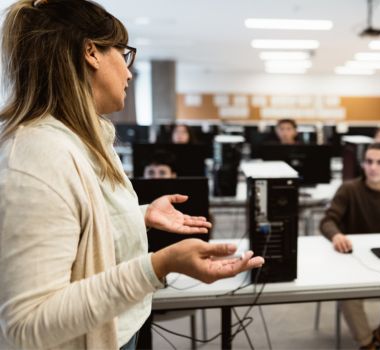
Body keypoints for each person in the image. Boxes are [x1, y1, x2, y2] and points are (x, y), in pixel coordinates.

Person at [0, 1, 263, 349]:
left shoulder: (83, 137)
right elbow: (27, 323)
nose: (128, 73)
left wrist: (139, 217)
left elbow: (76, 231)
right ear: (91, 52)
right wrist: (159, 265)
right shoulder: (37, 157)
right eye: (124, 56)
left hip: (115, 329)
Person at [319, 143, 380, 350]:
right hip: (354, 262)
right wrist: (336, 235)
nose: (373, 167)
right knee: (348, 296)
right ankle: (367, 344)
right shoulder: (349, 189)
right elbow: (327, 221)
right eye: (369, 162)